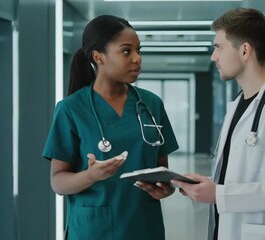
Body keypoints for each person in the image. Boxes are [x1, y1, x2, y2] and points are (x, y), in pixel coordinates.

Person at [171, 8, 265, 240]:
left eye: (218, 47)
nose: (213, 57)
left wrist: (219, 194)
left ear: (245, 50)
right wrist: (205, 186)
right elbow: (241, 176)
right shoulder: (238, 105)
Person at [42, 15, 179, 240]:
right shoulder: (71, 109)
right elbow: (58, 182)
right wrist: (91, 175)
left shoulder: (151, 104)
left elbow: (161, 170)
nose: (137, 59)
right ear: (98, 57)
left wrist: (165, 189)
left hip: (144, 227)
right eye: (126, 51)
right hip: (93, 230)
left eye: (138, 50)